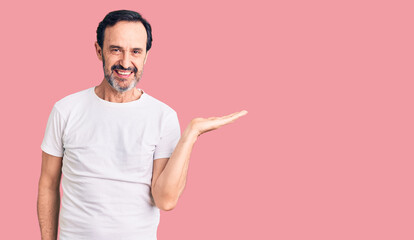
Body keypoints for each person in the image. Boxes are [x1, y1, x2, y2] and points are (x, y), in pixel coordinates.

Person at [37, 10, 247, 240]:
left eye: (135, 52)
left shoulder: (163, 116)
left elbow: (165, 200)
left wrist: (191, 134)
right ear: (99, 51)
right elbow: (48, 184)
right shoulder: (65, 110)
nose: (126, 63)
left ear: (146, 55)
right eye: (116, 50)